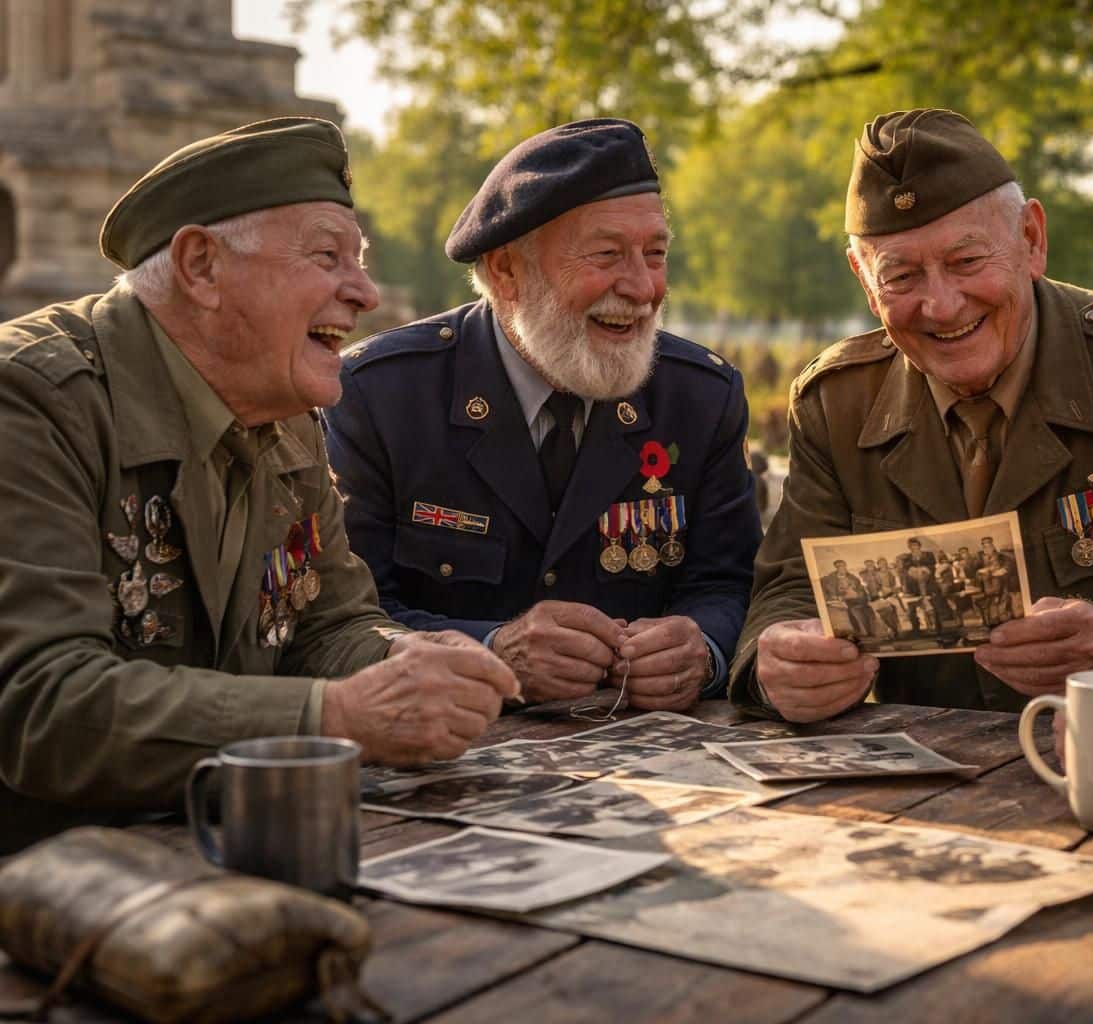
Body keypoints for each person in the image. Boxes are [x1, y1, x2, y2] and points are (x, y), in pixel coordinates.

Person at [0, 118, 521, 854]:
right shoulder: (31, 400)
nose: (366, 292)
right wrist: (334, 715)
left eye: (360, 260)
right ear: (201, 267)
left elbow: (331, 624)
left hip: (210, 845)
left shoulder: (284, 410)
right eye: (327, 256)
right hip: (43, 882)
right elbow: (39, 706)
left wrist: (407, 662)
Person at [731, 108, 1093, 722]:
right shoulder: (836, 401)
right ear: (864, 280)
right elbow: (788, 587)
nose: (940, 306)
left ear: (1031, 240)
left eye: (967, 262)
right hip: (915, 780)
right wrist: (774, 660)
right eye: (901, 276)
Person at [325, 119, 758, 713]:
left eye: (655, 254)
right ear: (507, 271)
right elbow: (348, 616)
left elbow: (728, 582)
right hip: (448, 752)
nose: (641, 287)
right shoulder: (381, 395)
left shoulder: (700, 397)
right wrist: (493, 650)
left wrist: (703, 648)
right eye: (607, 254)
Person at [822, 560, 877, 639]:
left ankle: (870, 631)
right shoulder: (831, 579)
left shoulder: (852, 577)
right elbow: (830, 592)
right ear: (836, 568)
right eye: (839, 567)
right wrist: (838, 596)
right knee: (854, 610)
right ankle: (862, 632)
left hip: (857, 598)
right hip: (843, 600)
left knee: (866, 608)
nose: (842, 568)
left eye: (843, 566)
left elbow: (861, 589)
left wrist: (858, 594)